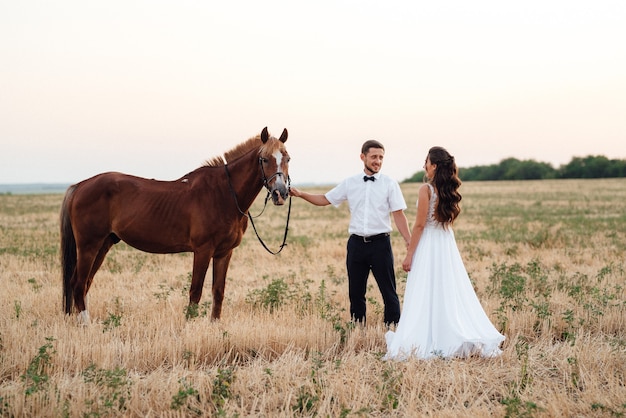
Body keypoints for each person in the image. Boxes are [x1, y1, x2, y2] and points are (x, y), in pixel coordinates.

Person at [384, 146, 505, 360]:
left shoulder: (426, 190)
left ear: (435, 166)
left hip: (429, 243)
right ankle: (447, 335)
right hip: (445, 242)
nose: (424, 165)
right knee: (446, 288)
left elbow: (420, 225)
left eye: (427, 162)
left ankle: (429, 338)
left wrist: (409, 253)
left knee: (425, 288)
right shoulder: (447, 191)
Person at [289, 140, 411, 326]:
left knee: (389, 291)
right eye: (373, 157)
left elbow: (399, 215)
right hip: (356, 245)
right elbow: (324, 199)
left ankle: (393, 330)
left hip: (381, 245)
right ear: (363, 157)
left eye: (381, 157)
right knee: (355, 292)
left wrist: (409, 241)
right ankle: (357, 329)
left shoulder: (390, 184)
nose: (377, 161)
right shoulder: (350, 183)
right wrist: (301, 194)